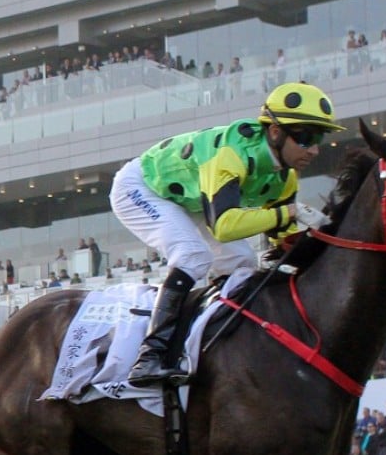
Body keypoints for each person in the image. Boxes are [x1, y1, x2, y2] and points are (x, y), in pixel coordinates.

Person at [109, 82, 343, 386]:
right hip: (141, 188)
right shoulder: (232, 154)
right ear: (275, 131)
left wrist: (325, 238)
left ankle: (216, 347)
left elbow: (281, 242)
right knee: (194, 255)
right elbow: (224, 226)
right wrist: (290, 213)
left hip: (189, 199)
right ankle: (150, 356)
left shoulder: (285, 178)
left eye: (319, 138)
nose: (314, 149)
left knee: (243, 263)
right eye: (306, 137)